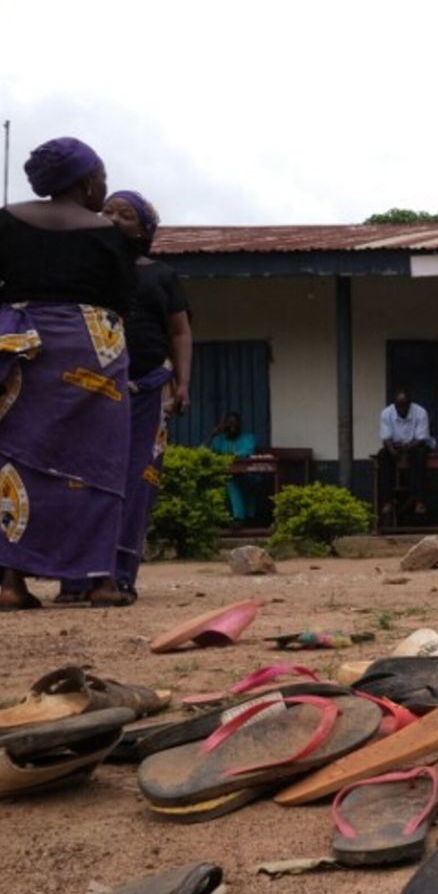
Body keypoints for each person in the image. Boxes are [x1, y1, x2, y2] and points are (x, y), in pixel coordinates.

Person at [0, 137, 136, 609]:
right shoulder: (109, 234)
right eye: (100, 177)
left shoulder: (5, 220)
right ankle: (100, 582)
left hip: (21, 346)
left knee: (18, 459)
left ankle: (11, 584)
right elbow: (123, 300)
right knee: (98, 463)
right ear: (84, 182)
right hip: (92, 348)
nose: (104, 186)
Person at [57, 190, 191, 605]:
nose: (113, 217)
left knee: (137, 483)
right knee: (81, 481)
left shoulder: (161, 275)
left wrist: (183, 383)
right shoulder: (79, 271)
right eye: (107, 211)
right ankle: (76, 579)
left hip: (148, 389)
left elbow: (180, 332)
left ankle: (118, 577)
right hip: (88, 391)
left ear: (144, 229)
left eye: (125, 214)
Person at [377, 390, 434, 520]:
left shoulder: (420, 412)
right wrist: (392, 451)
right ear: (394, 405)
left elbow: (421, 439)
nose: (401, 409)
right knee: (383, 456)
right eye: (398, 406)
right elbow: (386, 438)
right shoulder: (386, 413)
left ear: (410, 404)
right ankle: (388, 501)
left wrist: (406, 449)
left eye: (404, 406)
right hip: (395, 445)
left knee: (420, 457)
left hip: (415, 445)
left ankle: (420, 501)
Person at [207, 412, 257, 524]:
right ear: (224, 426)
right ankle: (238, 518)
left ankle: (239, 518)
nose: (232, 427)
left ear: (240, 425)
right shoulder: (219, 440)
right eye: (229, 424)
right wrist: (211, 436)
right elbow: (203, 452)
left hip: (248, 476)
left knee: (232, 481)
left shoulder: (248, 438)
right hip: (223, 478)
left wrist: (232, 455)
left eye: (235, 424)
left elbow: (247, 451)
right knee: (230, 481)